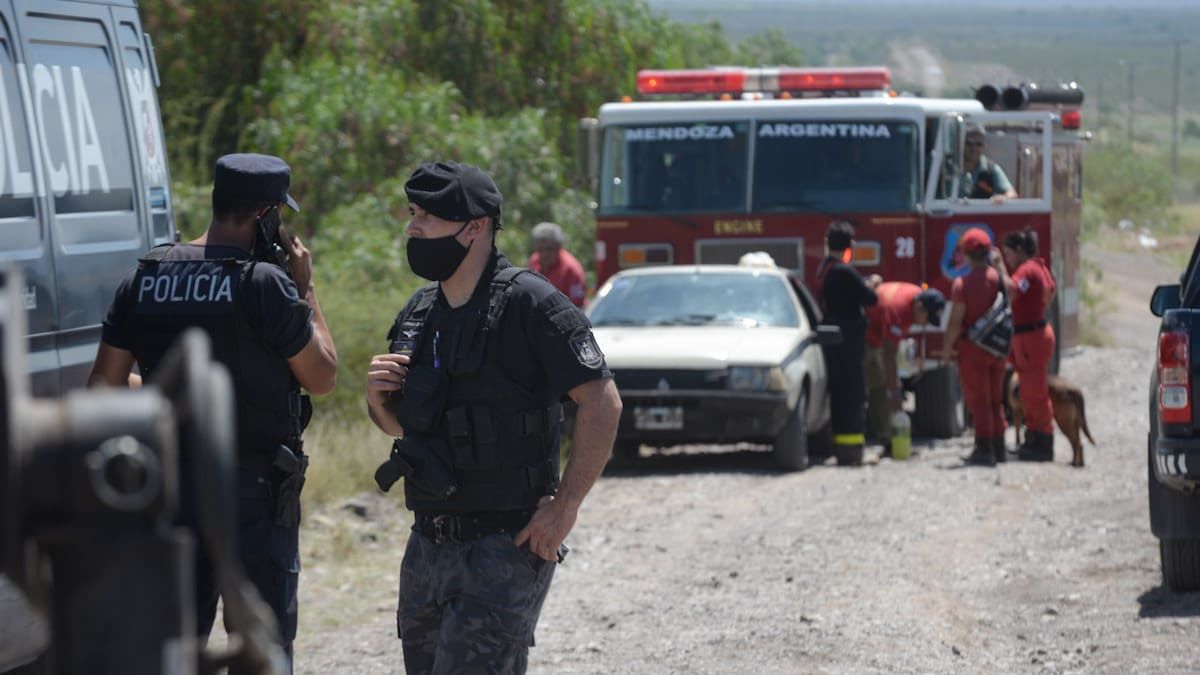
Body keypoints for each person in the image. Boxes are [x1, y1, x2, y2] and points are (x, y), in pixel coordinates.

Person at [365, 161, 622, 673]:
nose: (413, 227)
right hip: (427, 546)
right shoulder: (420, 313)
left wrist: (565, 506)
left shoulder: (531, 304)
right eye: (412, 214)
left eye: (428, 217)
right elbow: (403, 427)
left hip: (503, 546)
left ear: (475, 226)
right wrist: (378, 400)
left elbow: (602, 402)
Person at [88, 153, 339, 672]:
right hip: (252, 494)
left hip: (169, 491)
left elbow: (104, 387)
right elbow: (323, 375)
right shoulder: (264, 284)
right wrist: (306, 287)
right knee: (260, 650)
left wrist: (168, 393)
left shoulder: (148, 275)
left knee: (173, 649)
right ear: (266, 214)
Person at [942, 228, 1010, 466]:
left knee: (978, 400)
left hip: (973, 349)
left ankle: (984, 449)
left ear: (967, 254)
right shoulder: (998, 278)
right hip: (997, 347)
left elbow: (955, 321)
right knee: (995, 399)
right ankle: (1000, 448)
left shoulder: (962, 284)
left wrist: (947, 348)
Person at [815, 220, 879, 465]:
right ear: (850, 245)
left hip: (832, 337)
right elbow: (870, 298)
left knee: (839, 394)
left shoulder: (824, 268)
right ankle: (853, 453)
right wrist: (870, 284)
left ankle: (841, 450)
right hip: (849, 340)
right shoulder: (844, 270)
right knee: (853, 395)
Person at [864, 282, 947, 454]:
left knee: (884, 381)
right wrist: (894, 391)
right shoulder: (899, 311)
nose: (925, 324)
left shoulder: (915, 297)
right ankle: (887, 439)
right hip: (866, 336)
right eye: (926, 318)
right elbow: (889, 354)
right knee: (878, 385)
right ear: (919, 307)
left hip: (878, 333)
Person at [1003, 229, 1058, 461]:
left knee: (1034, 393)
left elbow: (1011, 290)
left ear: (1018, 251)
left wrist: (997, 269)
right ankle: (1033, 439)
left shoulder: (1027, 270)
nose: (1007, 260)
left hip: (1031, 337)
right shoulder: (1040, 267)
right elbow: (1051, 292)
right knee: (1029, 391)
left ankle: (1042, 442)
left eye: (1008, 255)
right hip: (1033, 335)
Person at [529, 221, 587, 307]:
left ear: (558, 247)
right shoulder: (534, 261)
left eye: (549, 249)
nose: (544, 254)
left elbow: (577, 304)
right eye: (540, 249)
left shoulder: (571, 269)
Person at [960, 126, 1018, 202]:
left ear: (984, 146)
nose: (973, 148)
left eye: (979, 144)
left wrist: (1003, 198)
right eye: (969, 143)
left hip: (979, 213)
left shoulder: (991, 169)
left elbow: (1012, 194)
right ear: (961, 144)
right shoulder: (948, 168)